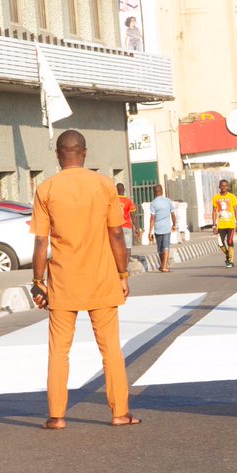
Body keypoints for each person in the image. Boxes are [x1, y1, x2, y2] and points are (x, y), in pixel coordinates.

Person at [30, 130, 138, 430]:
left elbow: (41, 242)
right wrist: (123, 274)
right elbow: (116, 233)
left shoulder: (46, 188)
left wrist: (38, 281)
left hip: (63, 282)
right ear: (85, 153)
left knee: (59, 352)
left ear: (57, 154)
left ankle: (56, 416)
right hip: (102, 280)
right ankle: (119, 413)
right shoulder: (104, 185)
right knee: (111, 351)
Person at [147, 185, 176, 272]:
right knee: (166, 246)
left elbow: (152, 218)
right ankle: (164, 266)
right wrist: (174, 224)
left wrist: (150, 231)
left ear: (154, 192)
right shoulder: (168, 201)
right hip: (167, 227)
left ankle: (163, 265)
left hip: (158, 228)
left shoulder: (153, 203)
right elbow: (173, 214)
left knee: (160, 248)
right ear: (162, 191)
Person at [213, 179, 237, 269]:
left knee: (230, 242)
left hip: (231, 224)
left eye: (225, 185)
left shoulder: (232, 197)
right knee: (220, 243)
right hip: (221, 225)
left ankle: (231, 261)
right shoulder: (216, 198)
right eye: (222, 185)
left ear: (227, 187)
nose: (224, 187)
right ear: (219, 187)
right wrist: (214, 225)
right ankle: (228, 255)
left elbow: (236, 211)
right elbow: (214, 211)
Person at [116, 183, 136, 250]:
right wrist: (137, 227)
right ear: (124, 190)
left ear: (116, 190)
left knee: (118, 248)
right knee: (128, 247)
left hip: (117, 227)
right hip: (127, 226)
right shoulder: (128, 201)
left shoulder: (114, 201)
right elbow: (133, 215)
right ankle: (126, 261)